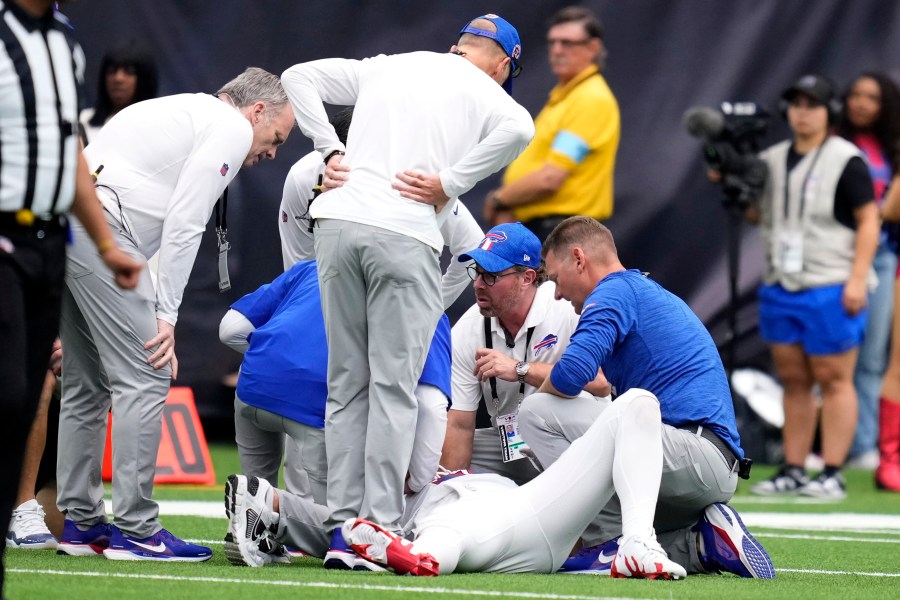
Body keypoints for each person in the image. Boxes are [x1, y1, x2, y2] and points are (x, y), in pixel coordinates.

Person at [280, 13, 534, 567]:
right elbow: (521, 130)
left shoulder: (389, 65)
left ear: (457, 46)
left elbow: (298, 75)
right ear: (503, 62)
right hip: (404, 234)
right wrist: (451, 183)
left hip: (338, 226)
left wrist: (328, 150)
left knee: (346, 385)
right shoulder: (482, 87)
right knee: (393, 388)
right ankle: (379, 526)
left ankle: (344, 528)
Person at [55, 67, 295, 562]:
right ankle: (138, 530)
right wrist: (167, 314)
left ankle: (81, 524)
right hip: (105, 233)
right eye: (275, 137)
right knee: (148, 374)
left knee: (87, 384)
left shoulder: (183, 109)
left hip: (71, 229)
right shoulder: (227, 127)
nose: (271, 152)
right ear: (256, 112)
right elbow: (186, 223)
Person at [223, 385, 772, 579]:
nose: (480, 286)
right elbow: (338, 525)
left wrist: (268, 502)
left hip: (523, 507)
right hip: (494, 520)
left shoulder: (556, 313)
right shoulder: (390, 507)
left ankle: (651, 543)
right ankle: (421, 559)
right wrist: (267, 502)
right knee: (451, 532)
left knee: (636, 405)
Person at [508, 216, 771, 579]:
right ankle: (703, 544)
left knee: (536, 412)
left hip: (692, 455)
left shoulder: (613, 292)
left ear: (579, 259)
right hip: (706, 463)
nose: (556, 294)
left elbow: (571, 377)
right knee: (640, 517)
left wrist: (520, 370)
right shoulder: (637, 290)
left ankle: (606, 540)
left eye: (553, 278)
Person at [0, 0, 142, 591]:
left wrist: (106, 244)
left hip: (52, 242)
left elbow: (71, 158)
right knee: (7, 392)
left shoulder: (64, 40)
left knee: (30, 393)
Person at [747, 75, 879, 500]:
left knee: (835, 378)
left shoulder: (847, 159)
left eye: (813, 104)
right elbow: (756, 216)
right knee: (793, 379)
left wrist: (858, 277)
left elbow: (868, 220)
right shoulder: (771, 158)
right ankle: (794, 467)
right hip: (782, 281)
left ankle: (834, 472)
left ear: (830, 112)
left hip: (831, 280)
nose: (803, 111)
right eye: (797, 103)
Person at [441, 222, 609, 485]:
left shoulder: (566, 309)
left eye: (491, 275)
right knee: (430, 451)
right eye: (477, 271)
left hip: (576, 441)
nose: (478, 285)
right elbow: (460, 424)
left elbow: (601, 384)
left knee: (536, 408)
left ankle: (590, 509)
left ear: (527, 278)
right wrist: (449, 487)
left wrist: (520, 370)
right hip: (513, 445)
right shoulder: (466, 328)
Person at [483, 6, 620, 241]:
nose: (557, 50)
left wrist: (500, 199)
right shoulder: (566, 96)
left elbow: (550, 178)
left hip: (563, 231)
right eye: (553, 42)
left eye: (567, 43)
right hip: (547, 228)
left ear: (593, 47)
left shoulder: (590, 99)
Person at [836, 72, 900, 470]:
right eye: (855, 94)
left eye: (871, 97)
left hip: (883, 254)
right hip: (835, 253)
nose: (861, 103)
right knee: (837, 354)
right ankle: (833, 448)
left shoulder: (892, 150)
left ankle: (865, 447)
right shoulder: (834, 144)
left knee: (873, 357)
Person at [79, 42, 159, 145]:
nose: (118, 78)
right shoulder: (82, 122)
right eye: (112, 70)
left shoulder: (158, 127)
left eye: (129, 71)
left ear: (144, 79)